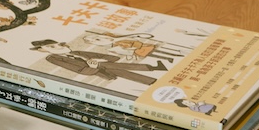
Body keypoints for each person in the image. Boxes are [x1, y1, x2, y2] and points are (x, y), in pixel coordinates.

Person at [30, 40, 167, 86]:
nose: (58, 47)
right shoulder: (53, 57)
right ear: (43, 50)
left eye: (58, 44)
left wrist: (107, 58)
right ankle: (152, 69)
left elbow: (94, 55)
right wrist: (91, 68)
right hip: (91, 69)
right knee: (110, 67)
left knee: (118, 69)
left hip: (98, 65)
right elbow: (69, 66)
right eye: (51, 47)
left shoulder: (75, 51)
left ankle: (151, 79)